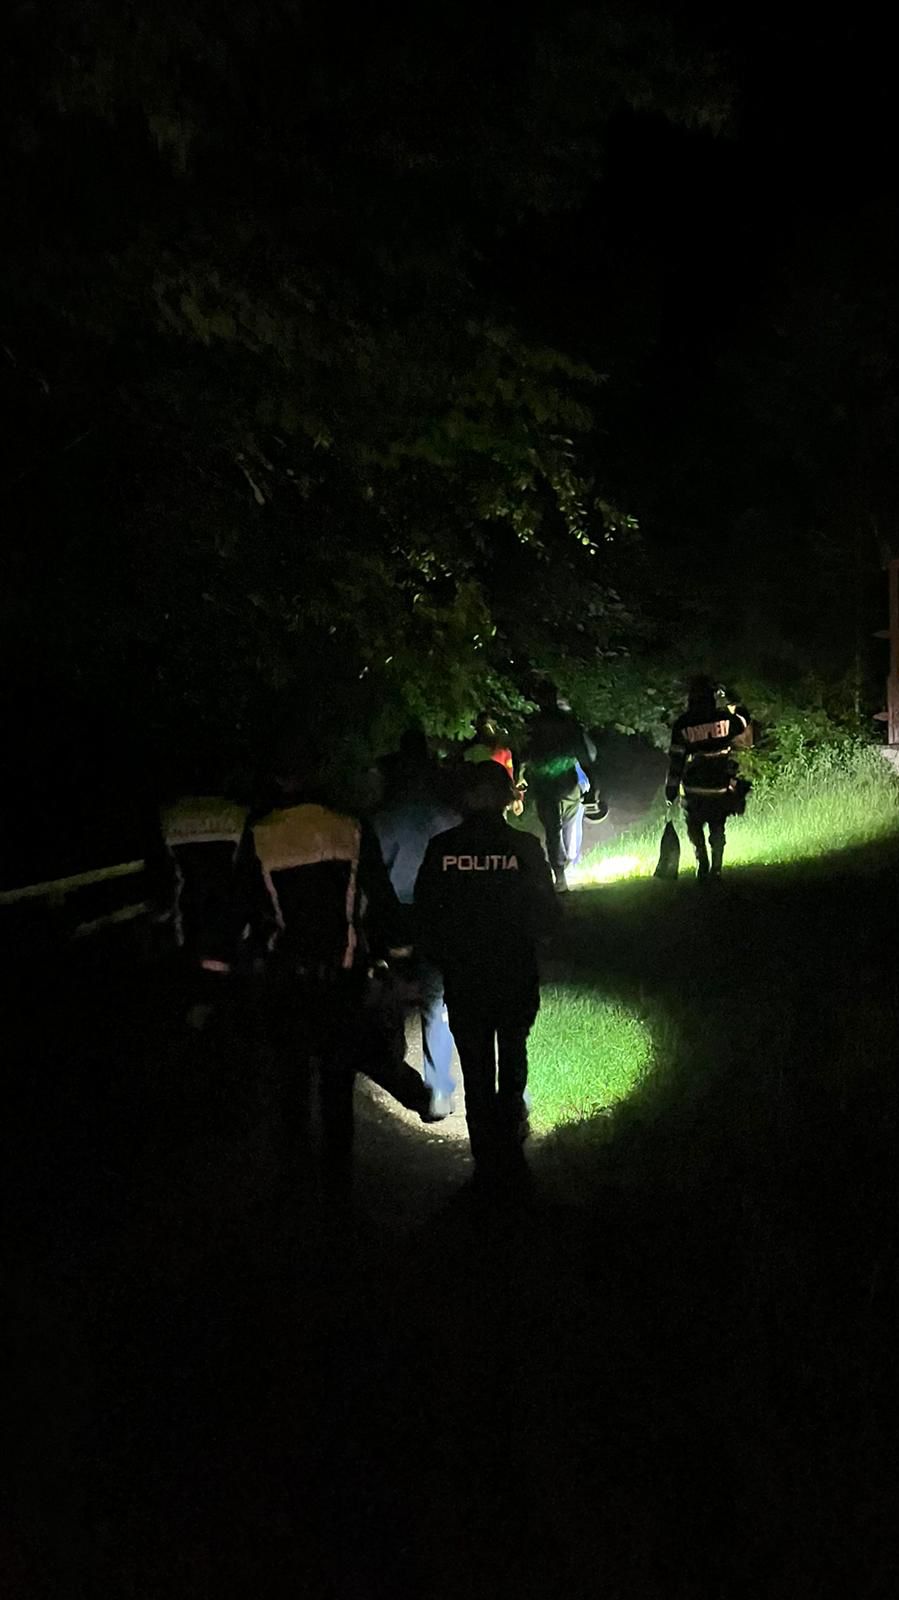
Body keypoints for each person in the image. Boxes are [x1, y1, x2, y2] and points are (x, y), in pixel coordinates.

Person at [249, 745, 409, 1192]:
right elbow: (379, 898)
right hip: (344, 977)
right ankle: (338, 1185)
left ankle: (295, 1178)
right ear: (319, 774)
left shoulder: (259, 834)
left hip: (288, 979)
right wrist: (397, 955)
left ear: (277, 779)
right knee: (337, 1086)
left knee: (292, 1084)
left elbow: (249, 907)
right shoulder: (350, 827)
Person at [414, 761, 560, 1185]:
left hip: (466, 978)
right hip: (514, 973)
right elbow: (547, 912)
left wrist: (444, 959)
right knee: (513, 1055)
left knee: (476, 1069)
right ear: (505, 798)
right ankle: (511, 1148)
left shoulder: (442, 848)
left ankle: (485, 1160)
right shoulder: (525, 847)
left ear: (464, 799)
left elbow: (426, 915)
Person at [374, 787, 462, 1119]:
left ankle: (423, 1081)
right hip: (440, 911)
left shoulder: (385, 819)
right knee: (435, 998)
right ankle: (439, 1085)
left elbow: (376, 870)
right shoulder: (449, 816)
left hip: (399, 910)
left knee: (400, 989)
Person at [157, 788, 253, 1027]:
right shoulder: (236, 814)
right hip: (227, 929)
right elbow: (247, 877)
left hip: (191, 928)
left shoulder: (169, 816)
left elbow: (164, 879)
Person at [665, 677, 752, 881]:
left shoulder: (683, 724)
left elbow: (676, 760)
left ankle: (701, 864)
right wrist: (730, 697)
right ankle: (717, 867)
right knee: (717, 825)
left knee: (694, 827)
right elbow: (743, 718)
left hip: (693, 789)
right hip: (719, 786)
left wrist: (671, 789)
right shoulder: (725, 719)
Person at [524, 685, 596, 891]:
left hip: (544, 785)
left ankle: (560, 874)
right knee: (567, 825)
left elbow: (524, 754)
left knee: (552, 830)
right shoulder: (569, 722)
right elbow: (584, 754)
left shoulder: (532, 724)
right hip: (567, 783)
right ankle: (565, 867)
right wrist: (592, 785)